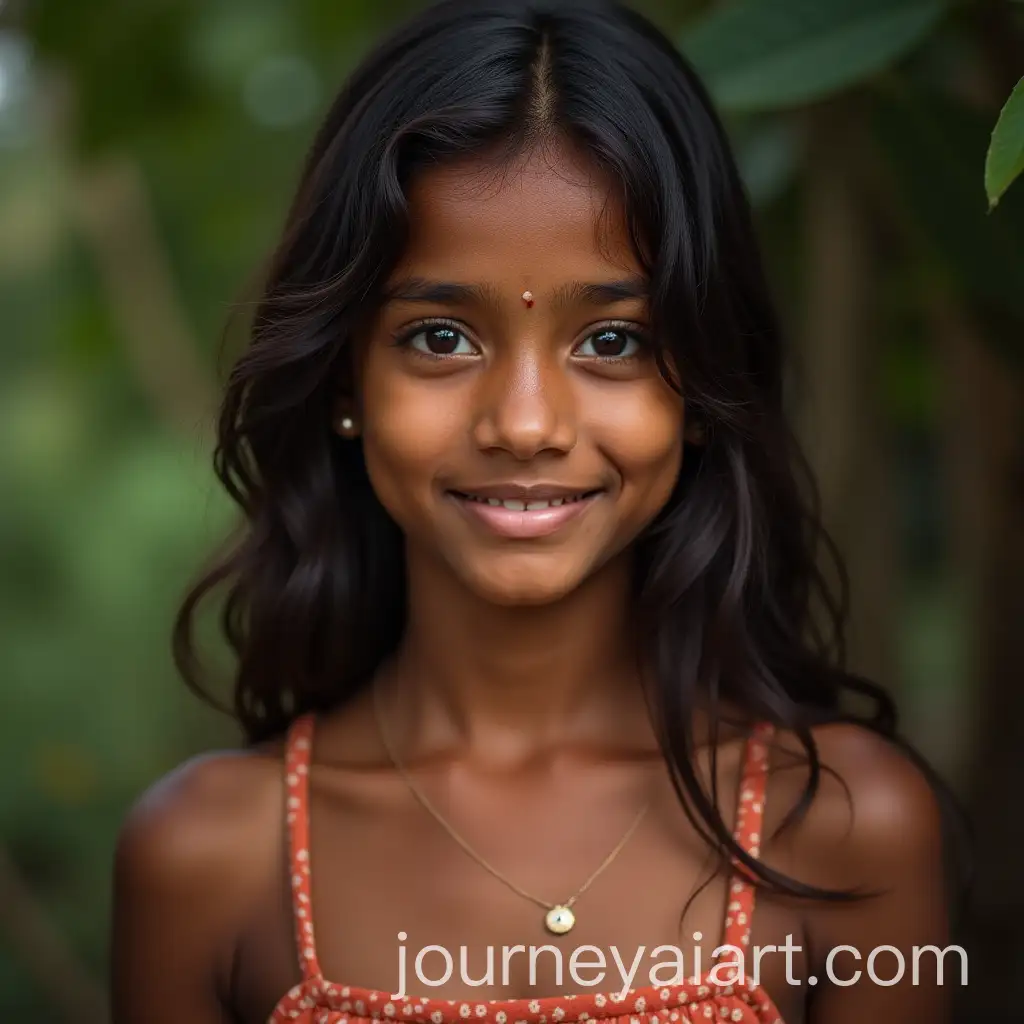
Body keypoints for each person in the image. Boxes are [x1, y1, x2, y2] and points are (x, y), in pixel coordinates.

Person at [109, 2, 960, 1022]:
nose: (523, 423)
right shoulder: (206, 857)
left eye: (611, 343)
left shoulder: (842, 826)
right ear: (344, 375)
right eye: (438, 336)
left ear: (701, 388)